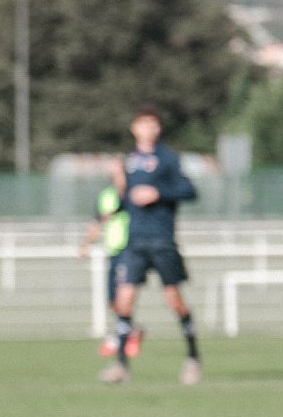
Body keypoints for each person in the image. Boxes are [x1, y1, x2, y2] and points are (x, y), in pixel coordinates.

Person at [99, 105, 201, 385]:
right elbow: (127, 200)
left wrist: (158, 192)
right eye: (142, 124)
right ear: (134, 128)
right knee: (123, 301)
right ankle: (121, 365)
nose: (147, 129)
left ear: (158, 128)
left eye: (152, 124)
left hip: (162, 240)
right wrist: (110, 209)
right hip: (135, 241)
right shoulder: (128, 161)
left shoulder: (167, 158)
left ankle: (193, 357)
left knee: (174, 300)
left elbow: (189, 190)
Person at [79, 166, 132, 357]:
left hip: (131, 251)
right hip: (114, 251)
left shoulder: (134, 194)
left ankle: (117, 340)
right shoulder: (106, 196)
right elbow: (97, 221)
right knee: (113, 300)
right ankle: (131, 330)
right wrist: (86, 243)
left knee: (123, 296)